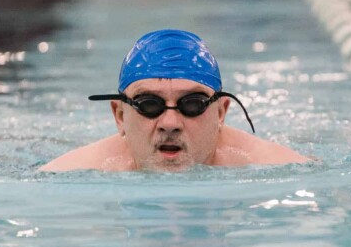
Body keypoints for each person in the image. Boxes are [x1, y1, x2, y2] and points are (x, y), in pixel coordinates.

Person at [40, 29, 309, 172]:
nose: (170, 123)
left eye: (192, 104)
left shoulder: (283, 169)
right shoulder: (68, 174)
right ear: (120, 116)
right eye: (149, 105)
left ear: (220, 113)